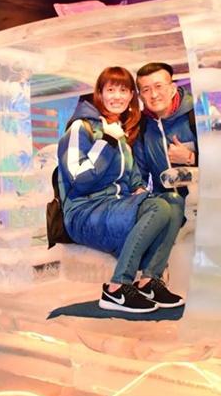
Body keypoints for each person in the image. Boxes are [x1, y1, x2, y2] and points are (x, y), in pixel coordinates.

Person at [57, 67, 185, 313]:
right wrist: (107, 142)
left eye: (124, 90)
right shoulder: (81, 128)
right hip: (84, 212)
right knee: (157, 206)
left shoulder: (119, 131)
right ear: (100, 94)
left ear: (131, 97)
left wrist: (138, 188)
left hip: (114, 207)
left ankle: (149, 281)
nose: (117, 96)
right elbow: (78, 178)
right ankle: (117, 288)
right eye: (111, 90)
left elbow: (132, 175)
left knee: (173, 200)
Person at [133, 62, 198, 199]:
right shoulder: (142, 127)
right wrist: (139, 189)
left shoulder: (198, 114)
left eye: (159, 86)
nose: (154, 94)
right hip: (167, 204)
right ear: (140, 97)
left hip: (206, 200)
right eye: (146, 90)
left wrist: (191, 158)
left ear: (173, 89)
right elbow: (139, 173)